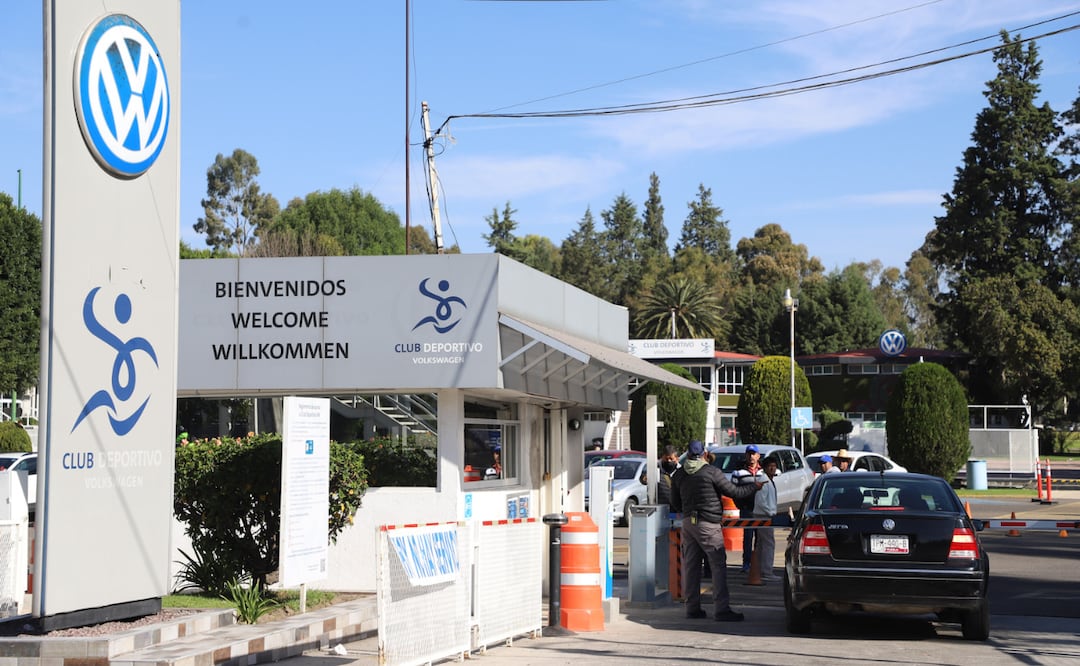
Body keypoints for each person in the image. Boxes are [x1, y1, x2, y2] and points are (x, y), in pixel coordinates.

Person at [670, 440, 761, 622]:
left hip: (688, 523)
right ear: (704, 454)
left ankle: (692, 608)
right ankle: (721, 609)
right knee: (718, 566)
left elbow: (675, 502)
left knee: (691, 567)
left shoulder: (678, 475)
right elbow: (734, 492)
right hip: (709, 523)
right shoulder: (711, 472)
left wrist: (686, 511)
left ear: (687, 454)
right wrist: (754, 487)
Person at [731, 444, 764, 573]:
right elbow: (733, 491)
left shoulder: (764, 471)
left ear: (758, 456)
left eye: (753, 454)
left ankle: (758, 563)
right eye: (749, 454)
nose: (751, 456)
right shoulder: (738, 472)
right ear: (746, 456)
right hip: (747, 509)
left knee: (760, 537)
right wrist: (740, 505)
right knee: (748, 537)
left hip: (761, 510)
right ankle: (746, 563)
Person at [752, 457, 781, 582]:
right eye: (770, 466)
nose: (772, 468)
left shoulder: (769, 480)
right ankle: (767, 571)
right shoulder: (764, 481)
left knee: (762, 544)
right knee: (768, 543)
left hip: (765, 515)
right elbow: (761, 501)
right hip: (763, 516)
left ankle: (760, 569)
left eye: (774, 466)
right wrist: (770, 512)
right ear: (764, 467)